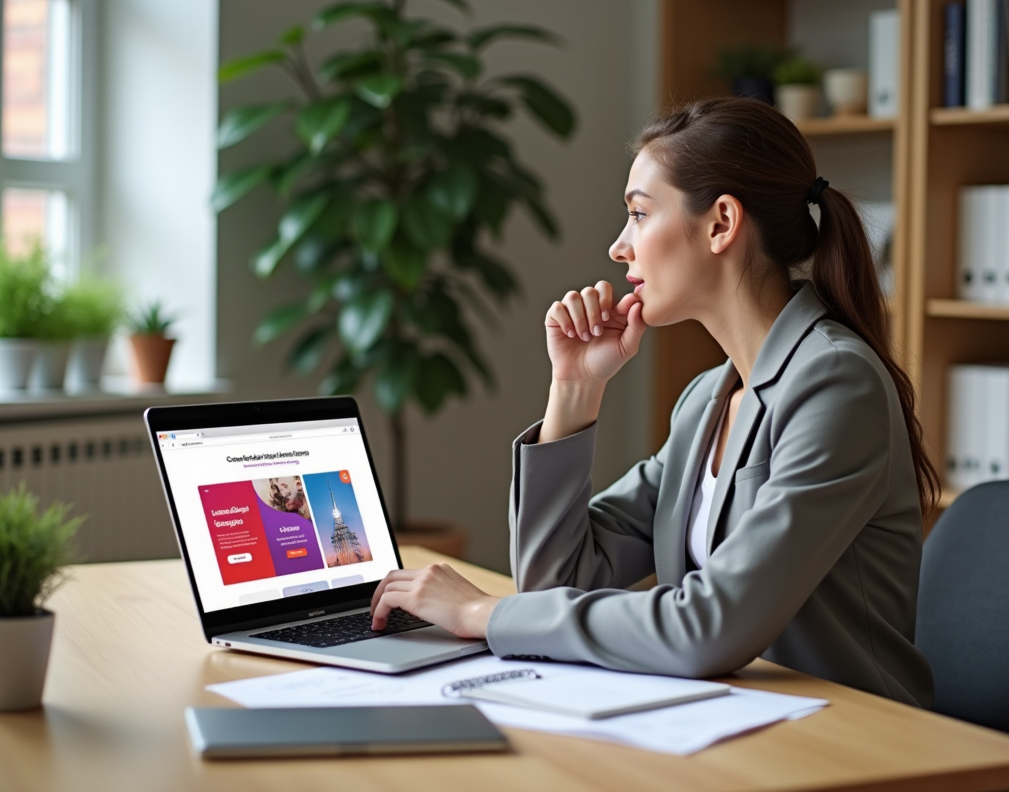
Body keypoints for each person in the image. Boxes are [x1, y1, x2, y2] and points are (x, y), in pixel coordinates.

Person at [370, 97, 939, 708]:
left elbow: (711, 628)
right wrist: (575, 389)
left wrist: (484, 612)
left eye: (639, 215)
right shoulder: (705, 401)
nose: (619, 247)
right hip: (731, 721)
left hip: (851, 739)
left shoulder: (835, 382)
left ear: (721, 223)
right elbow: (558, 582)